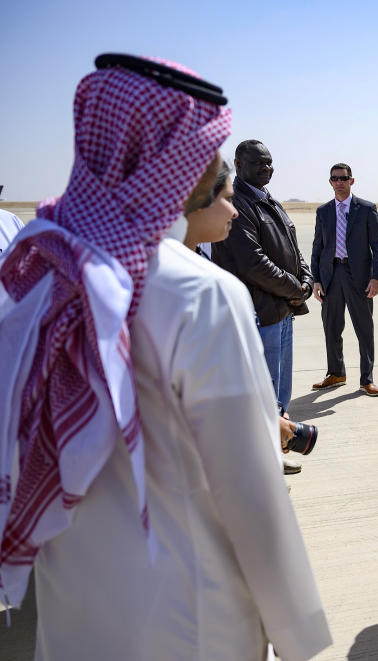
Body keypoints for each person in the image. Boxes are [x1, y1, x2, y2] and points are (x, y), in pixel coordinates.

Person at [0, 54, 331, 660]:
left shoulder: (39, 262)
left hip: (72, 606)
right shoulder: (197, 290)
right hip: (187, 612)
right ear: (174, 162)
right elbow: (249, 486)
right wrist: (297, 629)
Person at [211, 140, 312, 475]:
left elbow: (293, 249)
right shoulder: (237, 202)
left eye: (270, 163)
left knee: (280, 391)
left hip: (282, 310)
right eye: (258, 163)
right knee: (264, 391)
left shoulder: (270, 201)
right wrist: (295, 288)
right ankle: (262, 458)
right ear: (239, 163)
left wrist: (306, 280)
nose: (266, 168)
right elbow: (253, 262)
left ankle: (276, 447)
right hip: (261, 312)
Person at [310, 163, 378, 396]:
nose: (339, 182)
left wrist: (376, 277)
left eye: (343, 178)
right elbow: (318, 247)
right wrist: (316, 279)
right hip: (331, 276)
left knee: (364, 328)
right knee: (331, 327)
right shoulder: (323, 211)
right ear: (330, 182)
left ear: (352, 181)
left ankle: (367, 379)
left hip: (359, 278)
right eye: (335, 178)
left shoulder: (366, 208)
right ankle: (336, 373)